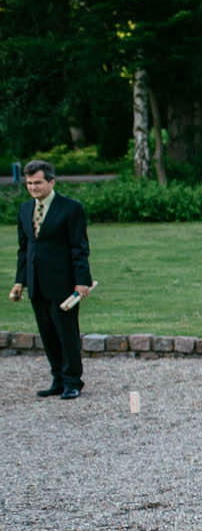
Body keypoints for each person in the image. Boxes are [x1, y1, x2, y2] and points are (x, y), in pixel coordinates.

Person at [11, 159, 93, 399]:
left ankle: (72, 382)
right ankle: (57, 379)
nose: (33, 187)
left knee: (66, 333)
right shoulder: (25, 210)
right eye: (29, 183)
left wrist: (81, 281)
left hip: (63, 284)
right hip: (36, 284)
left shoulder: (71, 208)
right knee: (47, 334)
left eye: (38, 182)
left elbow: (79, 247)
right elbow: (23, 250)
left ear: (51, 182)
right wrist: (19, 281)